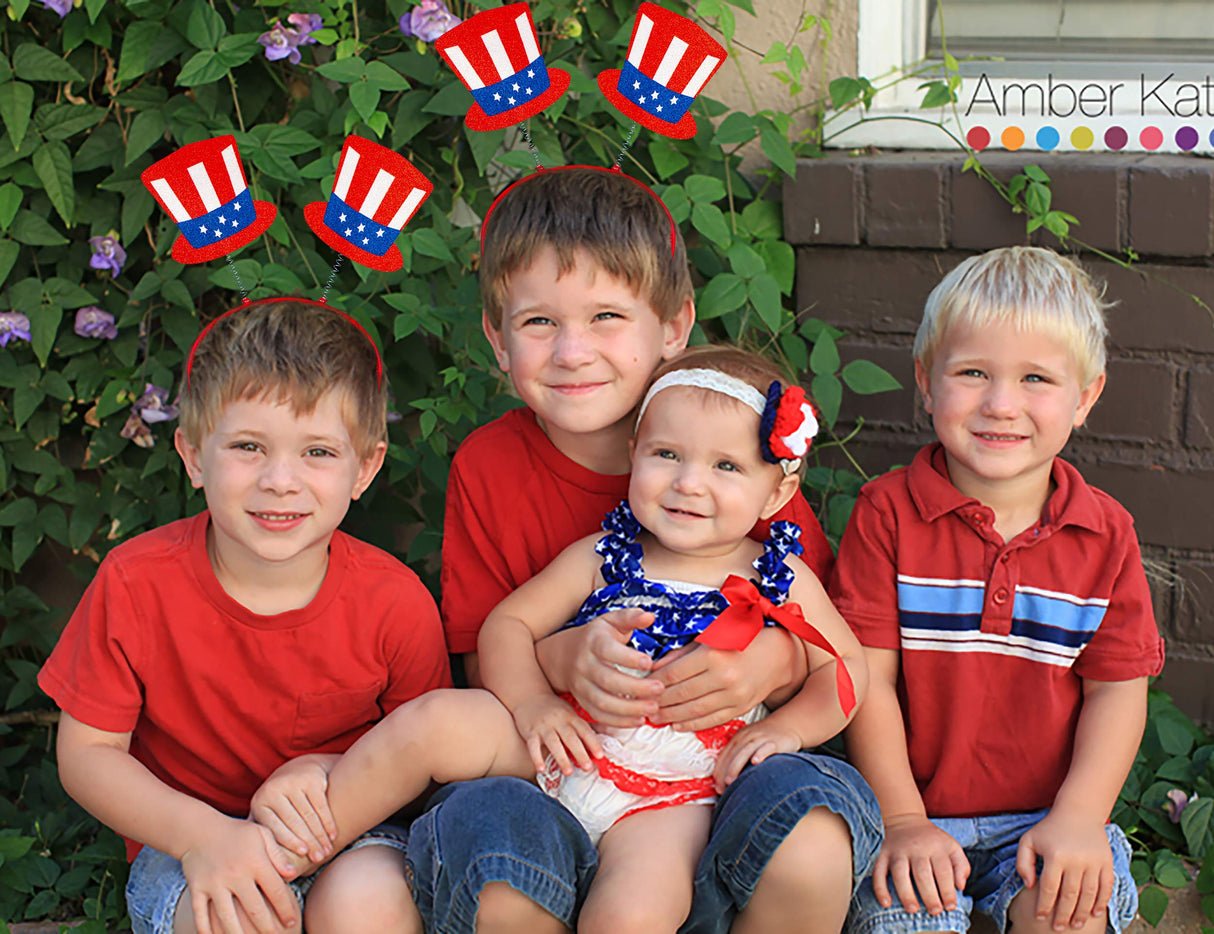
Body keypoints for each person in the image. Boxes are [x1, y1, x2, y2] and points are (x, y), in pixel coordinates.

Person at [257, 346, 869, 934]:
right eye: (666, 455)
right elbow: (508, 626)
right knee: (437, 720)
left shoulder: (779, 576)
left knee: (628, 916)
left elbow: (845, 672)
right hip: (565, 743)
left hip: (674, 792)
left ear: (778, 490)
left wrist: (788, 731)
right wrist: (533, 705)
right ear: (635, 454)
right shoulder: (605, 555)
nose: (688, 483)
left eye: (726, 466)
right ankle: (294, 850)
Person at [429, 166, 882, 934]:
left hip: (703, 785)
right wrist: (560, 665)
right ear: (496, 340)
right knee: (479, 807)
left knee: (804, 821)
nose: (573, 352)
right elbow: (487, 644)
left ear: (674, 327)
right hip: (560, 768)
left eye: (607, 315)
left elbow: (821, 645)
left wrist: (767, 668)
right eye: (539, 323)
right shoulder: (491, 467)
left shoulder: (742, 457)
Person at [37, 300, 451, 934]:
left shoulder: (393, 601)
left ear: (364, 467)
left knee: (369, 902)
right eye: (249, 447)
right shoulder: (136, 581)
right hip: (187, 847)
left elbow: (426, 760)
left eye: (317, 452)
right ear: (194, 454)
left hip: (346, 834)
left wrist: (329, 770)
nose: (280, 480)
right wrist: (201, 834)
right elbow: (88, 754)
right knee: (234, 917)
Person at [832, 246, 1166, 934]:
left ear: (1086, 397)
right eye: (973, 372)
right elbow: (868, 681)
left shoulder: (1105, 535)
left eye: (1036, 378)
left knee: (1069, 914)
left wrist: (1079, 818)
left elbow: (1117, 692)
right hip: (913, 812)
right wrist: (899, 819)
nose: (1000, 404)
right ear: (926, 381)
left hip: (1047, 817)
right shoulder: (887, 514)